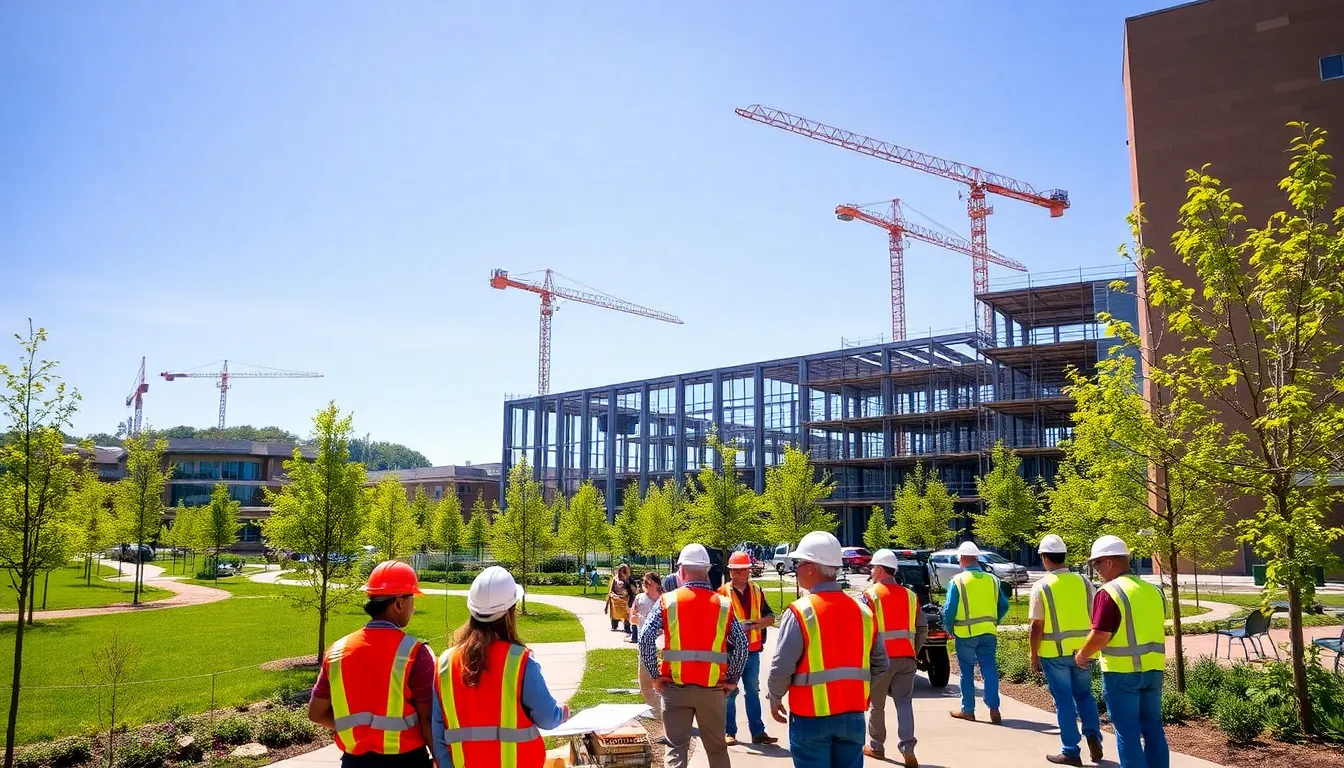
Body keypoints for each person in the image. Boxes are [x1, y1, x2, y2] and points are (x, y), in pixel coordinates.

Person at [767, 531, 887, 768]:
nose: (795, 568)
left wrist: (775, 697)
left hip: (810, 718)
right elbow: (881, 664)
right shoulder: (864, 612)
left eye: (799, 563)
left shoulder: (801, 612)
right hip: (852, 715)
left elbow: (782, 666)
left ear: (812, 568)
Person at [430, 566, 569, 768]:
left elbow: (438, 735)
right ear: (510, 612)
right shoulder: (520, 662)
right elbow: (548, 718)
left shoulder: (444, 663)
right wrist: (562, 713)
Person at [308, 561, 436, 768]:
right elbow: (428, 720)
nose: (414, 607)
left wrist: (361, 732)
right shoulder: (415, 653)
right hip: (407, 762)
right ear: (398, 604)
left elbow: (316, 713)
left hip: (354, 762)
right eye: (412, 598)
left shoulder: (337, 651)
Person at [637, 543, 748, 768]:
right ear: (706, 571)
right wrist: (732, 679)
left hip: (675, 688)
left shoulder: (668, 601)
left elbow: (645, 637)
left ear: (682, 571)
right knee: (717, 750)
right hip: (712, 690)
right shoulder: (723, 604)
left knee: (676, 749)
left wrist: (655, 675)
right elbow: (742, 645)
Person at [1074, 536, 1169, 768]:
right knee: (1153, 728)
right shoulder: (1154, 591)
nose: (1095, 571)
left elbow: (1101, 635)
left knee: (1127, 731)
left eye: (1097, 565)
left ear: (1109, 562)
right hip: (1154, 670)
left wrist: (1082, 655)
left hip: (1121, 673)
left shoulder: (1109, 593)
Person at [1030, 534, 1103, 767]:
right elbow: (1095, 615)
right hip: (1083, 650)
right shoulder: (1083, 582)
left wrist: (1033, 654)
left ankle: (1071, 750)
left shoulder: (1041, 586)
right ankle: (1093, 736)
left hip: (1054, 654)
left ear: (1044, 558)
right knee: (1084, 695)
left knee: (1063, 701)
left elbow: (1036, 625)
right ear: (1064, 556)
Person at [860, 549, 926, 767]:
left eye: (872, 567)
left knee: (877, 706)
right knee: (904, 703)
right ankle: (908, 747)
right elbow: (922, 628)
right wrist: (913, 651)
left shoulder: (870, 595)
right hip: (906, 657)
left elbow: (861, 628)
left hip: (881, 661)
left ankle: (877, 747)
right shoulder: (910, 595)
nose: (870, 570)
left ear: (879, 569)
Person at [942, 541, 1010, 724]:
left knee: (967, 672)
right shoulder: (993, 580)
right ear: (977, 558)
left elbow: (949, 610)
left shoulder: (958, 581)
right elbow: (1004, 605)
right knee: (989, 669)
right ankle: (994, 708)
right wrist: (994, 620)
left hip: (965, 634)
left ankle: (968, 710)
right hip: (988, 632)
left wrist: (949, 628)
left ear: (961, 559)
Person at [719, 551, 778, 746]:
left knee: (753, 690)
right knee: (730, 691)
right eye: (739, 570)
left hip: (752, 651)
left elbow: (770, 617)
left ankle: (758, 732)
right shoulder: (722, 593)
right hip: (730, 651)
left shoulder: (756, 590)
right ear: (731, 572)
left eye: (746, 569)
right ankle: (729, 731)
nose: (744, 573)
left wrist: (754, 624)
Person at [631, 571, 664, 718]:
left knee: (660, 681)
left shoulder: (664, 600)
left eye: (648, 583)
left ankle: (661, 712)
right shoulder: (639, 598)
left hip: (661, 647)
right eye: (644, 582)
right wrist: (635, 618)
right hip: (644, 646)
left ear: (657, 584)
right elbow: (632, 617)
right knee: (644, 682)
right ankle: (655, 711)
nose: (645, 585)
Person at [607, 564, 634, 634]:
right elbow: (611, 589)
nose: (622, 572)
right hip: (616, 599)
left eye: (624, 570)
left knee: (626, 613)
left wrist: (626, 579)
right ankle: (614, 625)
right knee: (615, 612)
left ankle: (627, 627)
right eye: (621, 570)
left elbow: (632, 589)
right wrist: (612, 595)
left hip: (626, 599)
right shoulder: (615, 578)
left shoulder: (629, 579)